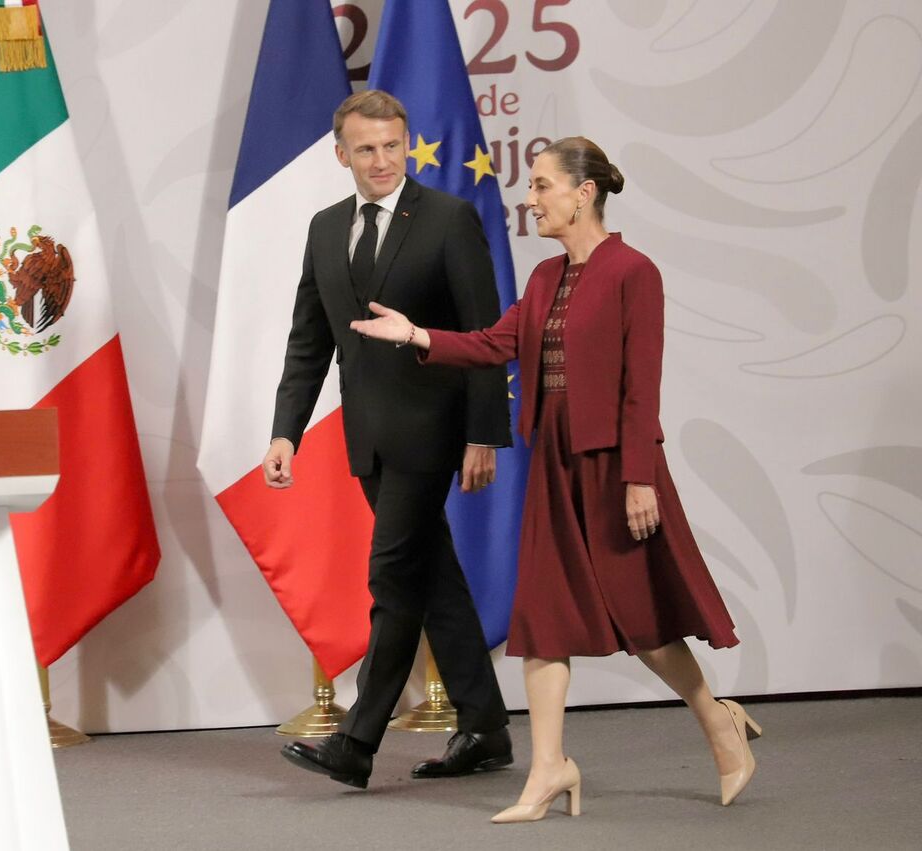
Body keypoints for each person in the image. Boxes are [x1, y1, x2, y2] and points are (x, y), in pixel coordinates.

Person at [351, 136, 762, 821]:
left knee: (644, 620)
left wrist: (639, 479)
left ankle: (716, 719)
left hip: (615, 466)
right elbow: (492, 344)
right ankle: (548, 768)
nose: (531, 197)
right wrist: (418, 334)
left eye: (542, 185)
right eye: (532, 186)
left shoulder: (635, 272)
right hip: (554, 462)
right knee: (541, 618)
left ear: (584, 192)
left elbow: (641, 387)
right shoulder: (543, 279)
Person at [266, 90, 515, 789]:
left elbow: (484, 335)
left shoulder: (448, 219)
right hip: (368, 435)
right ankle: (485, 726)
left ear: (407, 144)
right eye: (367, 148)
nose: (382, 160)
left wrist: (482, 434)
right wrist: (286, 429)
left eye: (392, 145)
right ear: (340, 153)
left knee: (394, 576)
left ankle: (357, 739)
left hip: (433, 430)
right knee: (432, 575)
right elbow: (309, 339)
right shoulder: (323, 228)